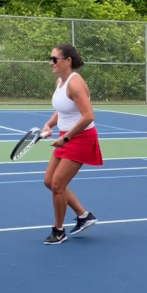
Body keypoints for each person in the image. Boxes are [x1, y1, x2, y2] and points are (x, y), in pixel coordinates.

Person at [41, 43, 104, 245]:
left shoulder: (75, 84)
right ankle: (84, 216)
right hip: (65, 135)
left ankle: (58, 231)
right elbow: (62, 109)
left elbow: (88, 116)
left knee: (58, 184)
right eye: (50, 59)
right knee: (49, 182)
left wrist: (66, 138)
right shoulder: (60, 82)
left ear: (67, 61)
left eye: (54, 59)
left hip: (81, 138)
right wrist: (49, 124)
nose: (51, 63)